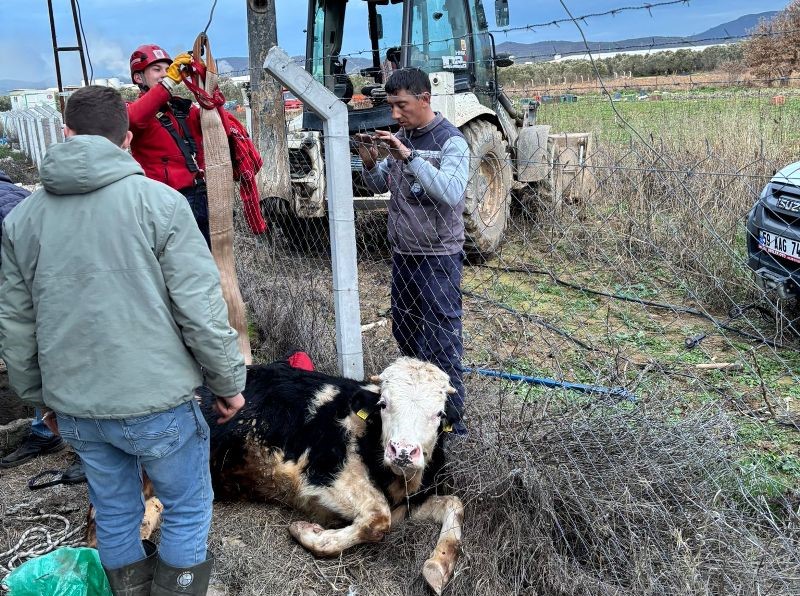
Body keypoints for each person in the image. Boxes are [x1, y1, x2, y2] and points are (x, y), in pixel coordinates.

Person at [0, 85, 247, 595]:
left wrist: (38, 398)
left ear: (66, 134)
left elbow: (16, 323)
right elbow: (200, 310)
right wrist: (227, 382)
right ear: (128, 139)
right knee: (185, 508)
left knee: (114, 511)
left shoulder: (23, 217)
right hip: (156, 403)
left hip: (76, 406)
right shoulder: (161, 204)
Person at [357, 67, 470, 434]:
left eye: (401, 105)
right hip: (404, 256)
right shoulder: (402, 136)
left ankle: (452, 421)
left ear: (425, 99)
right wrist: (370, 160)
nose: (395, 115)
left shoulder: (451, 141)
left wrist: (409, 157)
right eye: (390, 106)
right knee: (407, 335)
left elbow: (450, 193)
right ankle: (416, 412)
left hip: (438, 258)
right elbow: (377, 185)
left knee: (441, 342)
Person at [0, 169, 84, 482]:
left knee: (50, 356)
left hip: (47, 294)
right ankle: (48, 431)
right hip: (41, 290)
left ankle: (81, 445)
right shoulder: (18, 198)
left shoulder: (10, 208)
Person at [126, 44, 212, 247]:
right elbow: (134, 120)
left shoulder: (183, 108)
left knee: (205, 259)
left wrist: (204, 81)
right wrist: (168, 84)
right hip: (163, 202)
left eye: (169, 68)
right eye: (157, 70)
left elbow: (213, 125)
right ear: (139, 78)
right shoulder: (133, 110)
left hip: (199, 195)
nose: (165, 74)